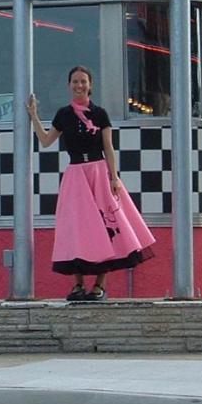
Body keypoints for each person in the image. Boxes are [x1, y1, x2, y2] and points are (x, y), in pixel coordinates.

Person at [26, 65, 155, 302]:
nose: (79, 85)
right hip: (75, 175)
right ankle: (77, 285)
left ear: (90, 85)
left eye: (83, 81)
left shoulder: (100, 114)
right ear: (69, 85)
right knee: (76, 227)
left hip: (99, 171)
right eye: (75, 81)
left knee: (106, 225)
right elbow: (45, 141)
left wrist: (114, 177)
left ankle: (100, 285)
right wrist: (34, 116)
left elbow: (108, 147)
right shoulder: (63, 114)